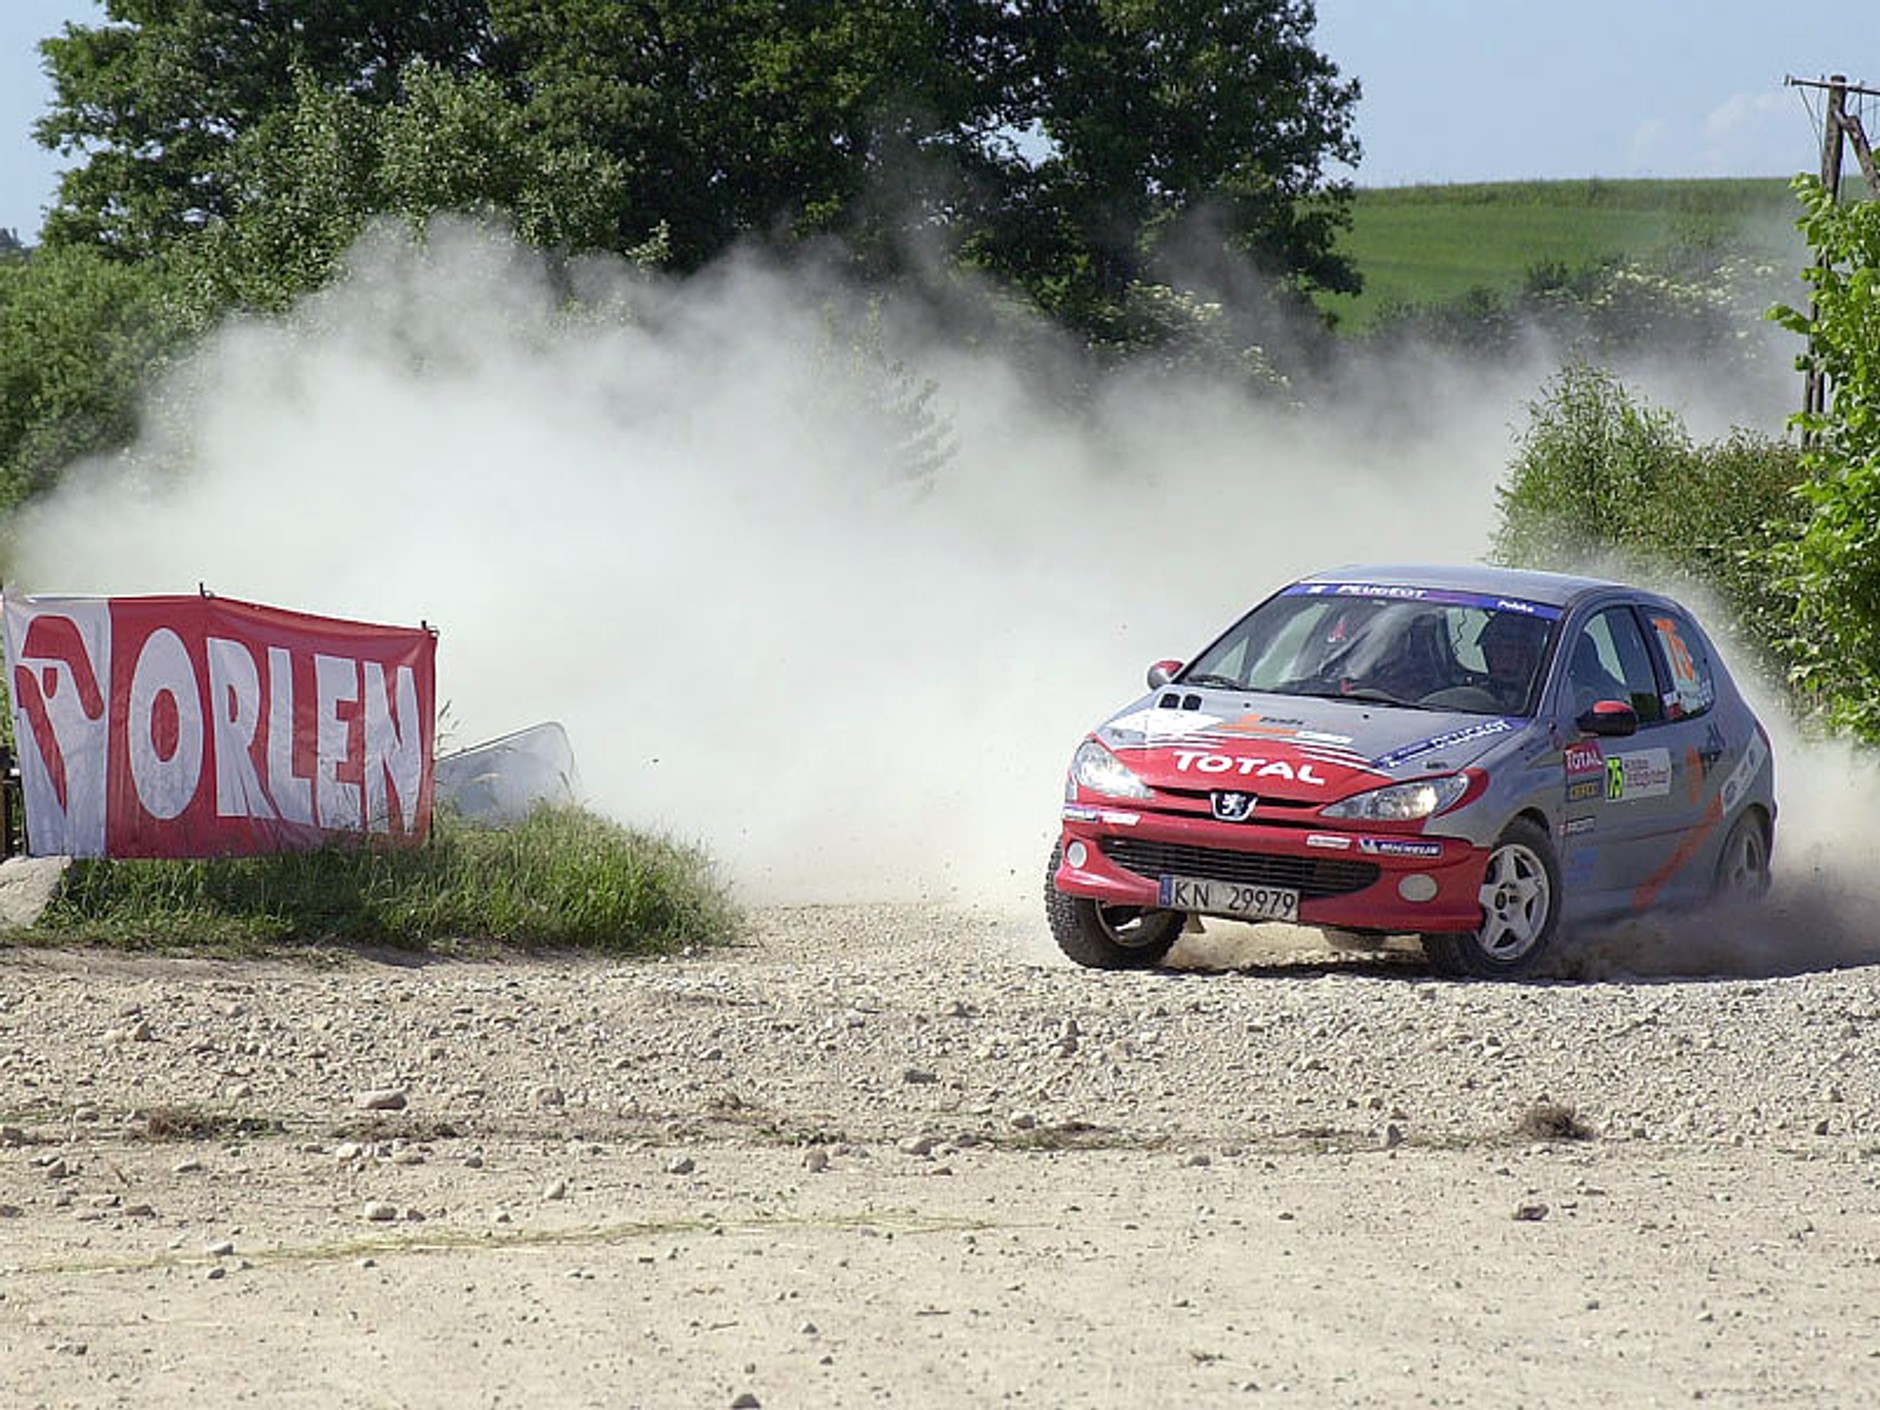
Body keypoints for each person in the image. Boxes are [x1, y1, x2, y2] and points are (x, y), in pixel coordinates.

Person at [1478, 612, 1549, 713]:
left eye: (1508, 648)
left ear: (1529, 653)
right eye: (1492, 647)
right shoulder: (1474, 694)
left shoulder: (1551, 695)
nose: (1497, 656)